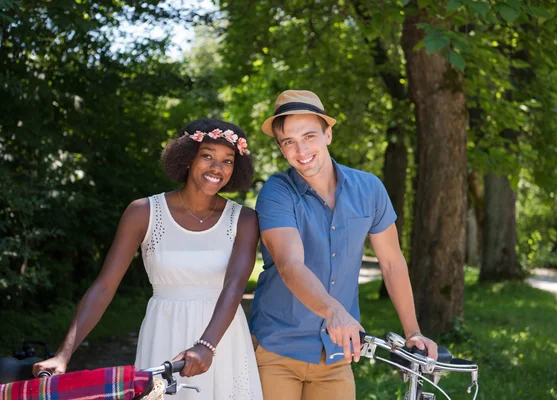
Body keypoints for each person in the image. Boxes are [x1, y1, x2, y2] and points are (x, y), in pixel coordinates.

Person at [34, 118, 263, 400]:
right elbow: (104, 287)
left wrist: (206, 346)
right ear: (187, 157)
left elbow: (235, 285)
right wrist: (63, 355)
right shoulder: (143, 212)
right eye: (207, 156)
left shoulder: (244, 219)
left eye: (228, 161)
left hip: (222, 339)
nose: (217, 167)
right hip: (163, 332)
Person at [249, 90, 438, 400]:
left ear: (328, 134)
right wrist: (335, 311)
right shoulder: (276, 193)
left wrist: (412, 331)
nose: (301, 150)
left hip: (337, 356)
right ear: (282, 148)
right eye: (289, 142)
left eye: (309, 136)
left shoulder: (369, 189)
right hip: (277, 350)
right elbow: (289, 264)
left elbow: (391, 262)